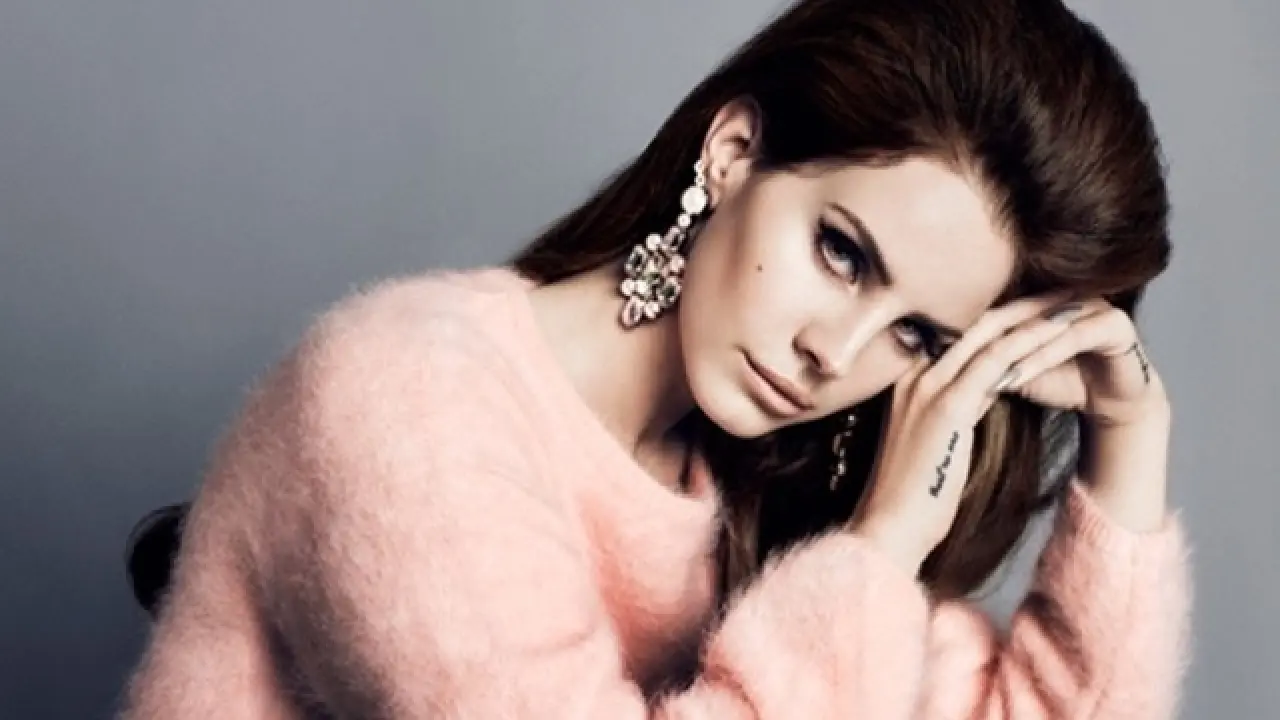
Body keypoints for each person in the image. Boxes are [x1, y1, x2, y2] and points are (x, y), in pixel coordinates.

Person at [118, 0, 1191, 717]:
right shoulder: (408, 403)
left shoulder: (768, 492)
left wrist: (1128, 449)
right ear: (732, 154)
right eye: (840, 253)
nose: (834, 353)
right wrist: (879, 553)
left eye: (917, 336)